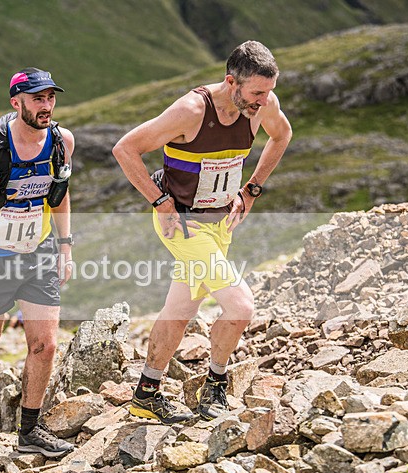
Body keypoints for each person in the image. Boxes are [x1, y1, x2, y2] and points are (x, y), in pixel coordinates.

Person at [113, 41, 292, 423]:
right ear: (232, 82)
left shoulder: (263, 107)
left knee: (180, 309)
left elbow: (283, 136)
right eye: (257, 92)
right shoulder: (192, 110)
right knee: (241, 307)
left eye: (269, 91)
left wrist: (253, 188)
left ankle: (146, 393)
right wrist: (159, 200)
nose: (264, 100)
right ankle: (215, 385)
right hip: (183, 223)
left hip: (220, 224)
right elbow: (125, 149)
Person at [0, 67, 76, 457]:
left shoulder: (61, 140)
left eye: (51, 97)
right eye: (38, 98)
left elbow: (59, 194)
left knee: (46, 345)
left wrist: (65, 246)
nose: (47, 106)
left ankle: (30, 430)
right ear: (16, 102)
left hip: (37, 252)